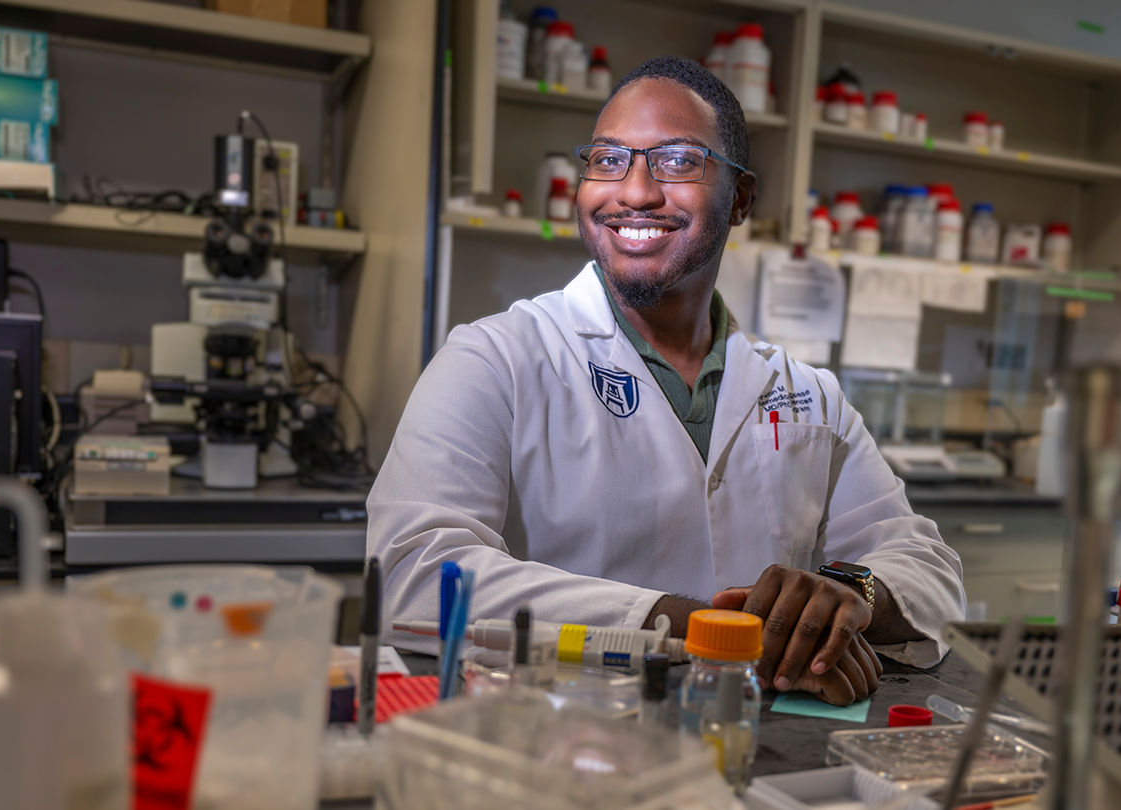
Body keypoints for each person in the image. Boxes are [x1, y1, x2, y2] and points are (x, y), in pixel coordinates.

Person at [368, 56, 964, 706]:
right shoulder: (493, 360)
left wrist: (845, 595)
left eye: (678, 161)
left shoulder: (806, 394)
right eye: (607, 159)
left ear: (740, 199)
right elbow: (416, 574)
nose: (635, 192)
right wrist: (705, 630)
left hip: (760, 755)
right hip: (551, 747)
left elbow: (927, 566)